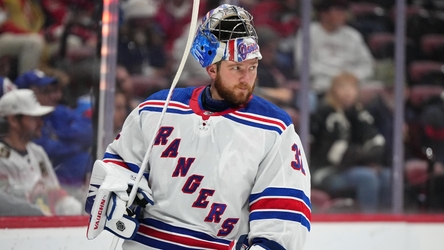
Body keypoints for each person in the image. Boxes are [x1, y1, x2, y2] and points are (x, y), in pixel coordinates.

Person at [85, 4, 311, 250]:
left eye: (252, 67)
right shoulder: (157, 108)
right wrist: (115, 191)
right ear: (212, 69)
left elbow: (283, 213)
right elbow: (118, 164)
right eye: (236, 68)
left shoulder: (274, 127)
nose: (247, 78)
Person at [310, 72, 390, 213]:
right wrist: (364, 157)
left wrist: (361, 156)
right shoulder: (325, 113)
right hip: (325, 171)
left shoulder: (357, 113)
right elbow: (336, 156)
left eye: (352, 87)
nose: (347, 92)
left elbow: (377, 144)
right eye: (342, 87)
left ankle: (385, 221)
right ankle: (369, 223)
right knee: (367, 177)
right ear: (333, 90)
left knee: (387, 176)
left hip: (350, 167)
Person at [14, 69, 93, 202]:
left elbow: (89, 133)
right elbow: (48, 148)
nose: (54, 96)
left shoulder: (58, 111)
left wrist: (61, 136)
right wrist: (76, 143)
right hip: (49, 191)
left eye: (54, 91)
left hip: (73, 191)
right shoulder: (26, 125)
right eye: (45, 91)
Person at [0, 89, 81, 215]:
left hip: (44, 229)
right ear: (13, 120)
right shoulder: (1, 157)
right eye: (34, 117)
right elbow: (9, 206)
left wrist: (78, 209)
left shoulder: (37, 152)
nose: (41, 122)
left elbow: (55, 194)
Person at [294, 0, 374, 109]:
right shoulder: (308, 32)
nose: (343, 15)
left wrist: (350, 77)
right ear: (324, 14)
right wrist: (336, 77)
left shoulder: (353, 35)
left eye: (344, 11)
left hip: (351, 85)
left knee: (378, 92)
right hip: (321, 85)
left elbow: (367, 65)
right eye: (338, 11)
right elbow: (303, 65)